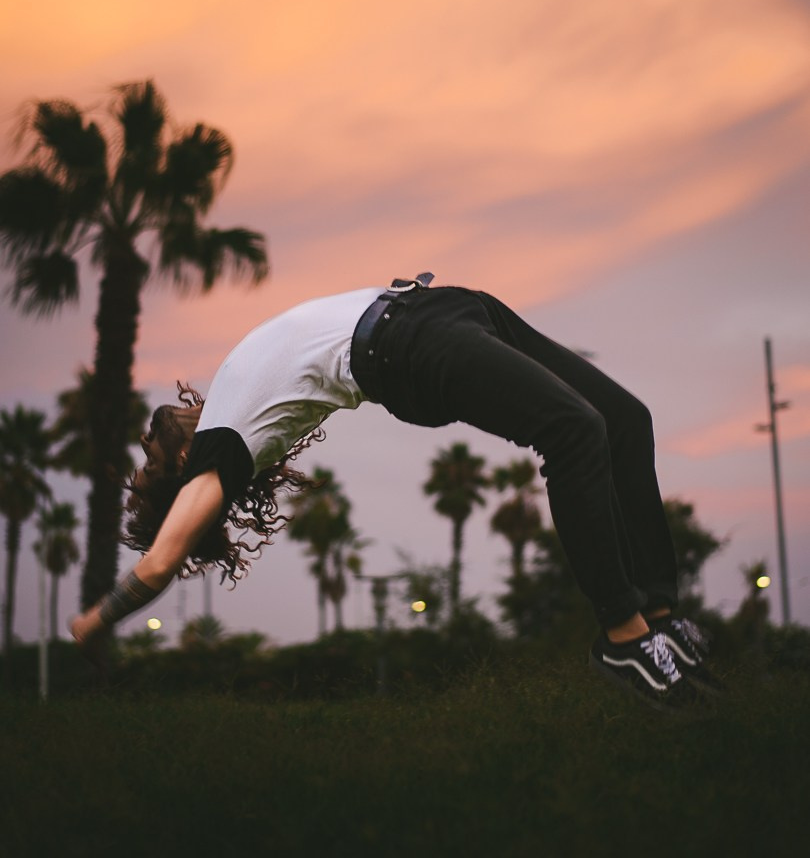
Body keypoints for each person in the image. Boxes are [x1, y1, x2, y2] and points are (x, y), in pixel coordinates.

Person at [71, 273, 718, 708]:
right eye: (160, 446)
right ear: (183, 463)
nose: (165, 424)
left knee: (624, 422)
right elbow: (160, 561)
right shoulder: (218, 453)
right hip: (405, 347)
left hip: (450, 308)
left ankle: (662, 619)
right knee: (574, 431)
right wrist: (95, 621)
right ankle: (624, 635)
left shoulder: (238, 403)